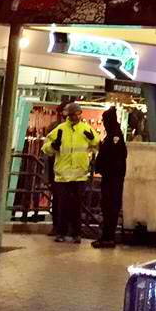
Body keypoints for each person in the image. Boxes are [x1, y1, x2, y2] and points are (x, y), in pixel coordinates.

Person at [42, 101, 97, 243]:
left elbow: (97, 144)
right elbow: (45, 147)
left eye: (76, 114)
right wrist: (53, 146)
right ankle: (62, 232)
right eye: (72, 115)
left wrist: (93, 139)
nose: (74, 117)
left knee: (76, 206)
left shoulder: (86, 129)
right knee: (63, 206)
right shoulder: (60, 129)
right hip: (63, 175)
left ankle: (76, 233)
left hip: (79, 174)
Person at [92, 106, 128, 249]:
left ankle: (108, 237)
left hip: (113, 179)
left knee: (110, 208)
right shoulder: (112, 135)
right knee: (107, 207)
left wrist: (105, 167)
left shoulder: (115, 136)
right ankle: (105, 236)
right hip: (111, 178)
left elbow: (115, 156)